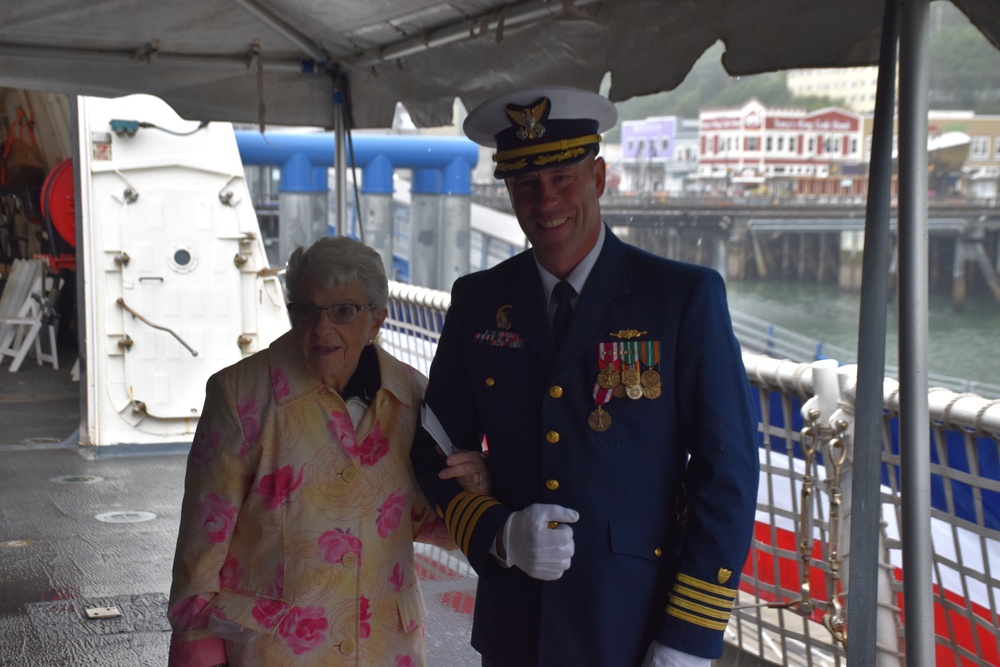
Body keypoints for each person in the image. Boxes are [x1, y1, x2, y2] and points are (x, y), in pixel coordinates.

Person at [410, 86, 760, 666]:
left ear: (597, 178)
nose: (545, 200)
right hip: (516, 624)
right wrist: (498, 532)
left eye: (562, 178)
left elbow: (728, 473)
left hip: (633, 622)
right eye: (525, 184)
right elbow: (434, 444)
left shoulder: (680, 298)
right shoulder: (479, 301)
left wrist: (687, 638)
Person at [168, 236, 488, 667]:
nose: (322, 329)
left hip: (384, 645)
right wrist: (198, 652)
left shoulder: (411, 397)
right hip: (276, 650)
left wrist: (472, 490)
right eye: (306, 311)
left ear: (377, 319)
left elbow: (428, 525)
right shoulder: (240, 395)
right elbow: (201, 549)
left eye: (343, 311)